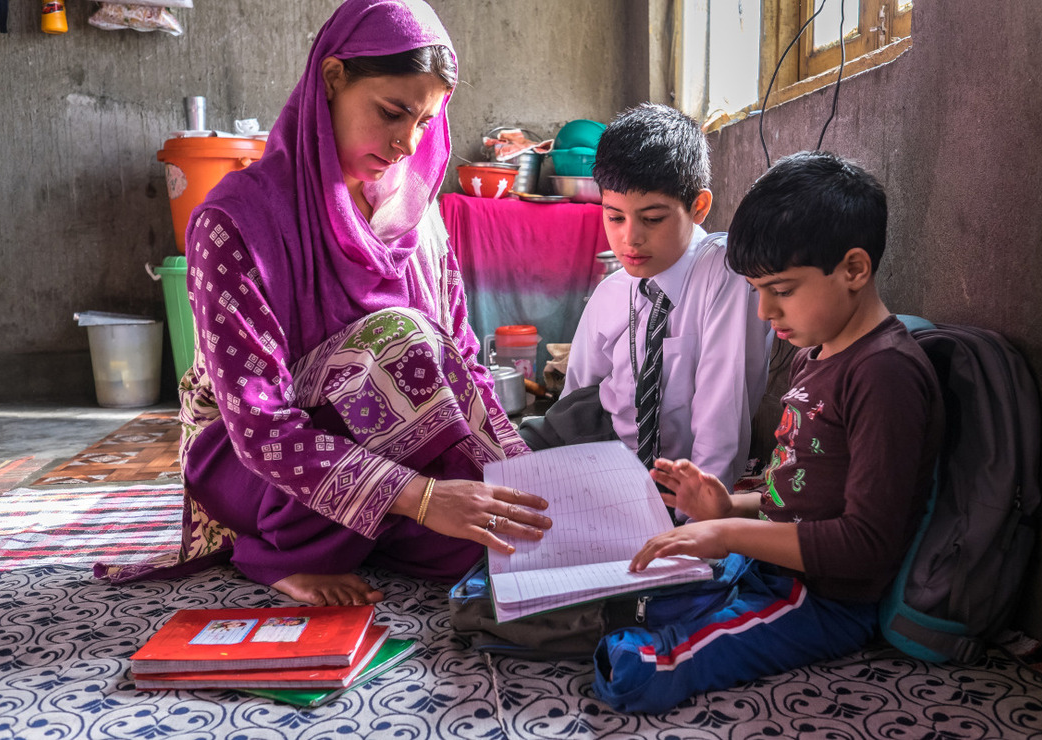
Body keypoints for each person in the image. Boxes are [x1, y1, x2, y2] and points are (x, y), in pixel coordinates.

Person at [100, 0, 552, 606]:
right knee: (402, 342)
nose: (404, 144)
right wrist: (421, 498)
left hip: (389, 455)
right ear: (333, 79)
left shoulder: (418, 221)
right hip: (258, 466)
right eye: (392, 112)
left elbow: (465, 365)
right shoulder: (234, 223)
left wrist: (521, 481)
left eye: (423, 123)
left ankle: (373, 528)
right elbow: (261, 426)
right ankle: (272, 550)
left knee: (494, 537)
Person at [591, 151, 945, 713]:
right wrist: (728, 504)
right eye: (757, 290)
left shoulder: (885, 374)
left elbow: (865, 545)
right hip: (766, 565)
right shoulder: (818, 349)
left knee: (642, 670)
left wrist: (729, 532)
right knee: (619, 601)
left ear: (854, 269)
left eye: (781, 289)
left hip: (821, 597)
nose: (763, 312)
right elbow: (804, 491)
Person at [519, 103, 771, 494]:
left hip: (678, 488)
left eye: (652, 219)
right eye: (614, 217)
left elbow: (720, 430)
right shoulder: (612, 293)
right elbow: (574, 401)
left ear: (699, 207)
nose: (630, 239)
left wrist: (694, 531)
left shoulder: (723, 274)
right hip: (604, 463)